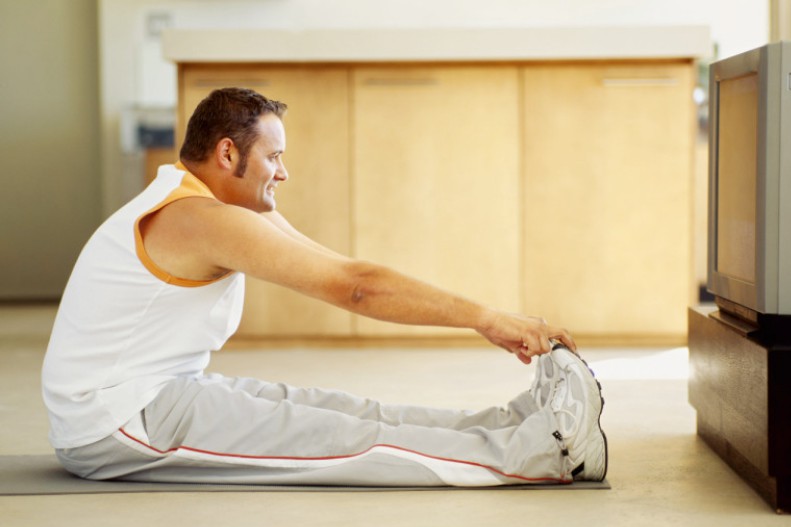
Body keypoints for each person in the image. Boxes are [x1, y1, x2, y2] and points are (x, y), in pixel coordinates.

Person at [42, 88, 606, 487]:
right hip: (116, 421)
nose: (283, 172)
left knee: (345, 409)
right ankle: (548, 455)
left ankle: (513, 424)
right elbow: (355, 290)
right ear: (228, 153)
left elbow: (345, 268)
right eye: (275, 156)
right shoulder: (196, 217)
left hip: (155, 394)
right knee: (335, 437)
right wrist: (489, 318)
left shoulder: (207, 199)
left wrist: (492, 314)